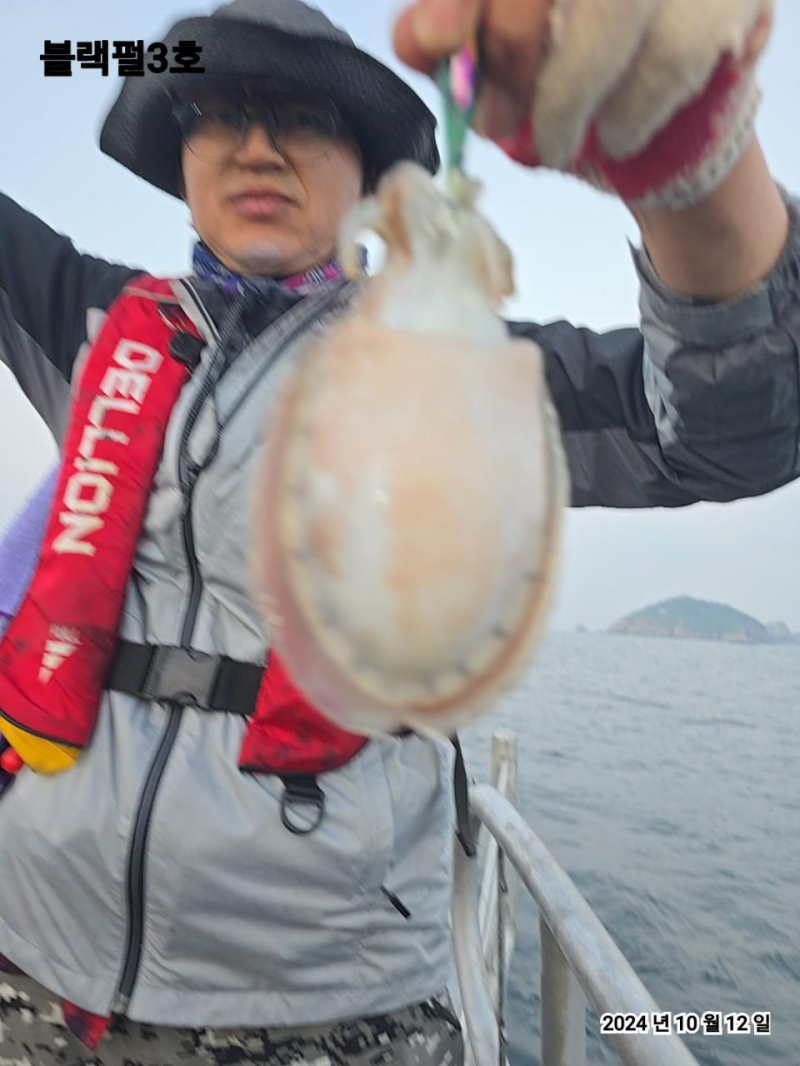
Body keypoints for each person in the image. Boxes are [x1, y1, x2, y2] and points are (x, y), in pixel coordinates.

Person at [0, 0, 797, 1063]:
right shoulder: (88, 319)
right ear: (180, 151)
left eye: (304, 119)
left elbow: (723, 436)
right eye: (220, 113)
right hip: (31, 970)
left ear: (369, 172)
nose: (257, 146)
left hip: (329, 1004)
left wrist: (694, 175)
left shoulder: (451, 361)